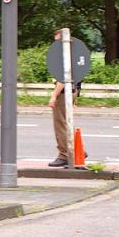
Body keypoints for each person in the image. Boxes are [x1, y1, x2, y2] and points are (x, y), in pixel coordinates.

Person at [47, 29, 81, 167]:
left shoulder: (65, 57)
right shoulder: (75, 54)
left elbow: (63, 79)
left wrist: (53, 96)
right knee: (66, 123)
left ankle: (64, 155)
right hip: (72, 90)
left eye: (57, 41)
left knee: (60, 124)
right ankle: (75, 149)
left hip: (63, 92)